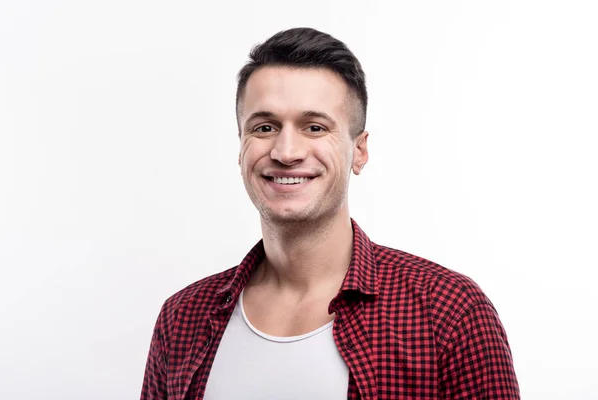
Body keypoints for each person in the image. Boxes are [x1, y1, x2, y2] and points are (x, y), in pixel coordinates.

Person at [141, 27, 520, 400]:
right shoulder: (182, 318)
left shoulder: (449, 312)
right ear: (241, 148)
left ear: (359, 151)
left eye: (315, 127)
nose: (286, 152)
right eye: (265, 127)